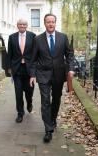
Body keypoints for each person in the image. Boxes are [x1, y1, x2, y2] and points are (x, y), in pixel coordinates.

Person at [30, 13, 75, 143]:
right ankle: (48, 130)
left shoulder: (63, 37)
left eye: (53, 21)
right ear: (45, 23)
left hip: (59, 75)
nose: (50, 24)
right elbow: (33, 59)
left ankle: (53, 118)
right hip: (43, 75)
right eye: (48, 22)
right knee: (45, 101)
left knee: (56, 99)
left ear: (55, 23)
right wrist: (32, 75)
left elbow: (69, 55)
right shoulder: (37, 39)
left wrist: (71, 68)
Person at [7, 19, 36, 123]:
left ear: (27, 25)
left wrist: (35, 69)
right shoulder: (12, 37)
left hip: (29, 69)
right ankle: (20, 113)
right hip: (17, 69)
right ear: (17, 25)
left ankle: (29, 103)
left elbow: (35, 53)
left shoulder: (33, 36)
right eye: (20, 24)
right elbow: (9, 54)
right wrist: (9, 68)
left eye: (24, 24)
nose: (22, 26)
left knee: (29, 91)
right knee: (18, 93)